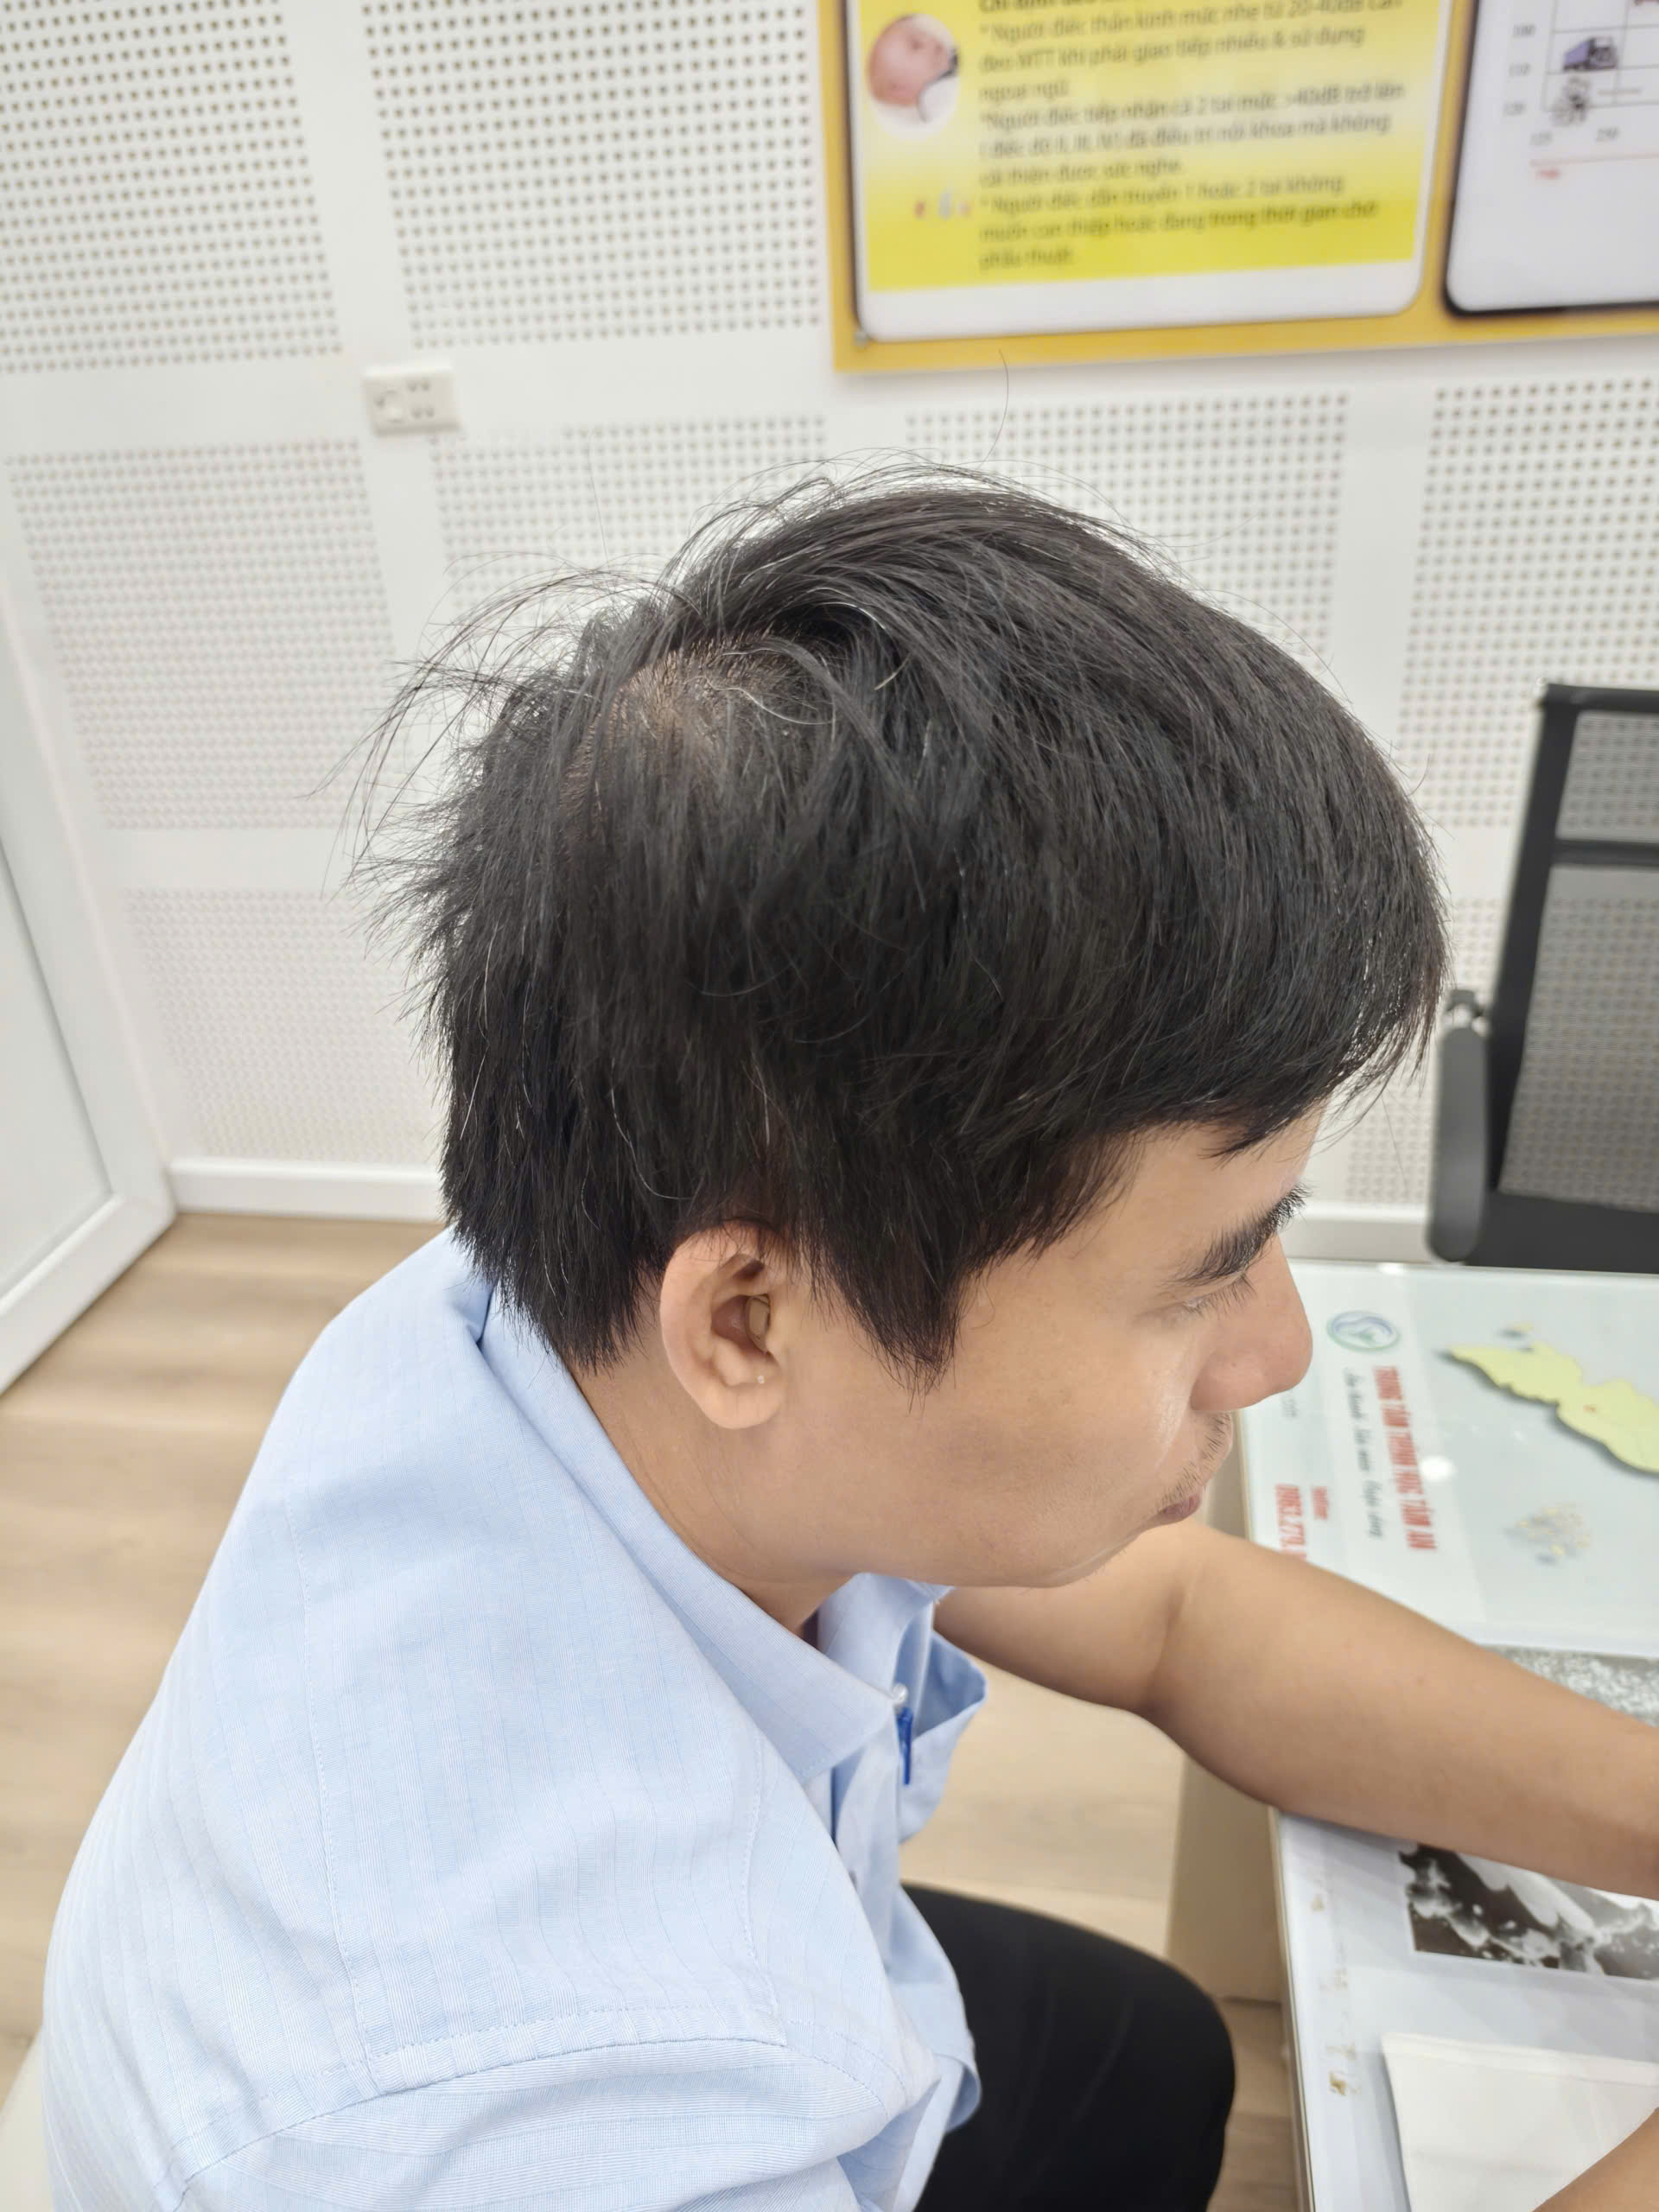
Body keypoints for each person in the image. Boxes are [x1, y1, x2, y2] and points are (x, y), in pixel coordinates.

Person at [40, 464, 1659, 2210]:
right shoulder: (553, 2119)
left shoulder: (595, 1283)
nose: (1275, 1352)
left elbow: (1183, 1620)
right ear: (750, 1320)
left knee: (1155, 2055)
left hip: (754, 1953)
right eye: (1206, 1271)